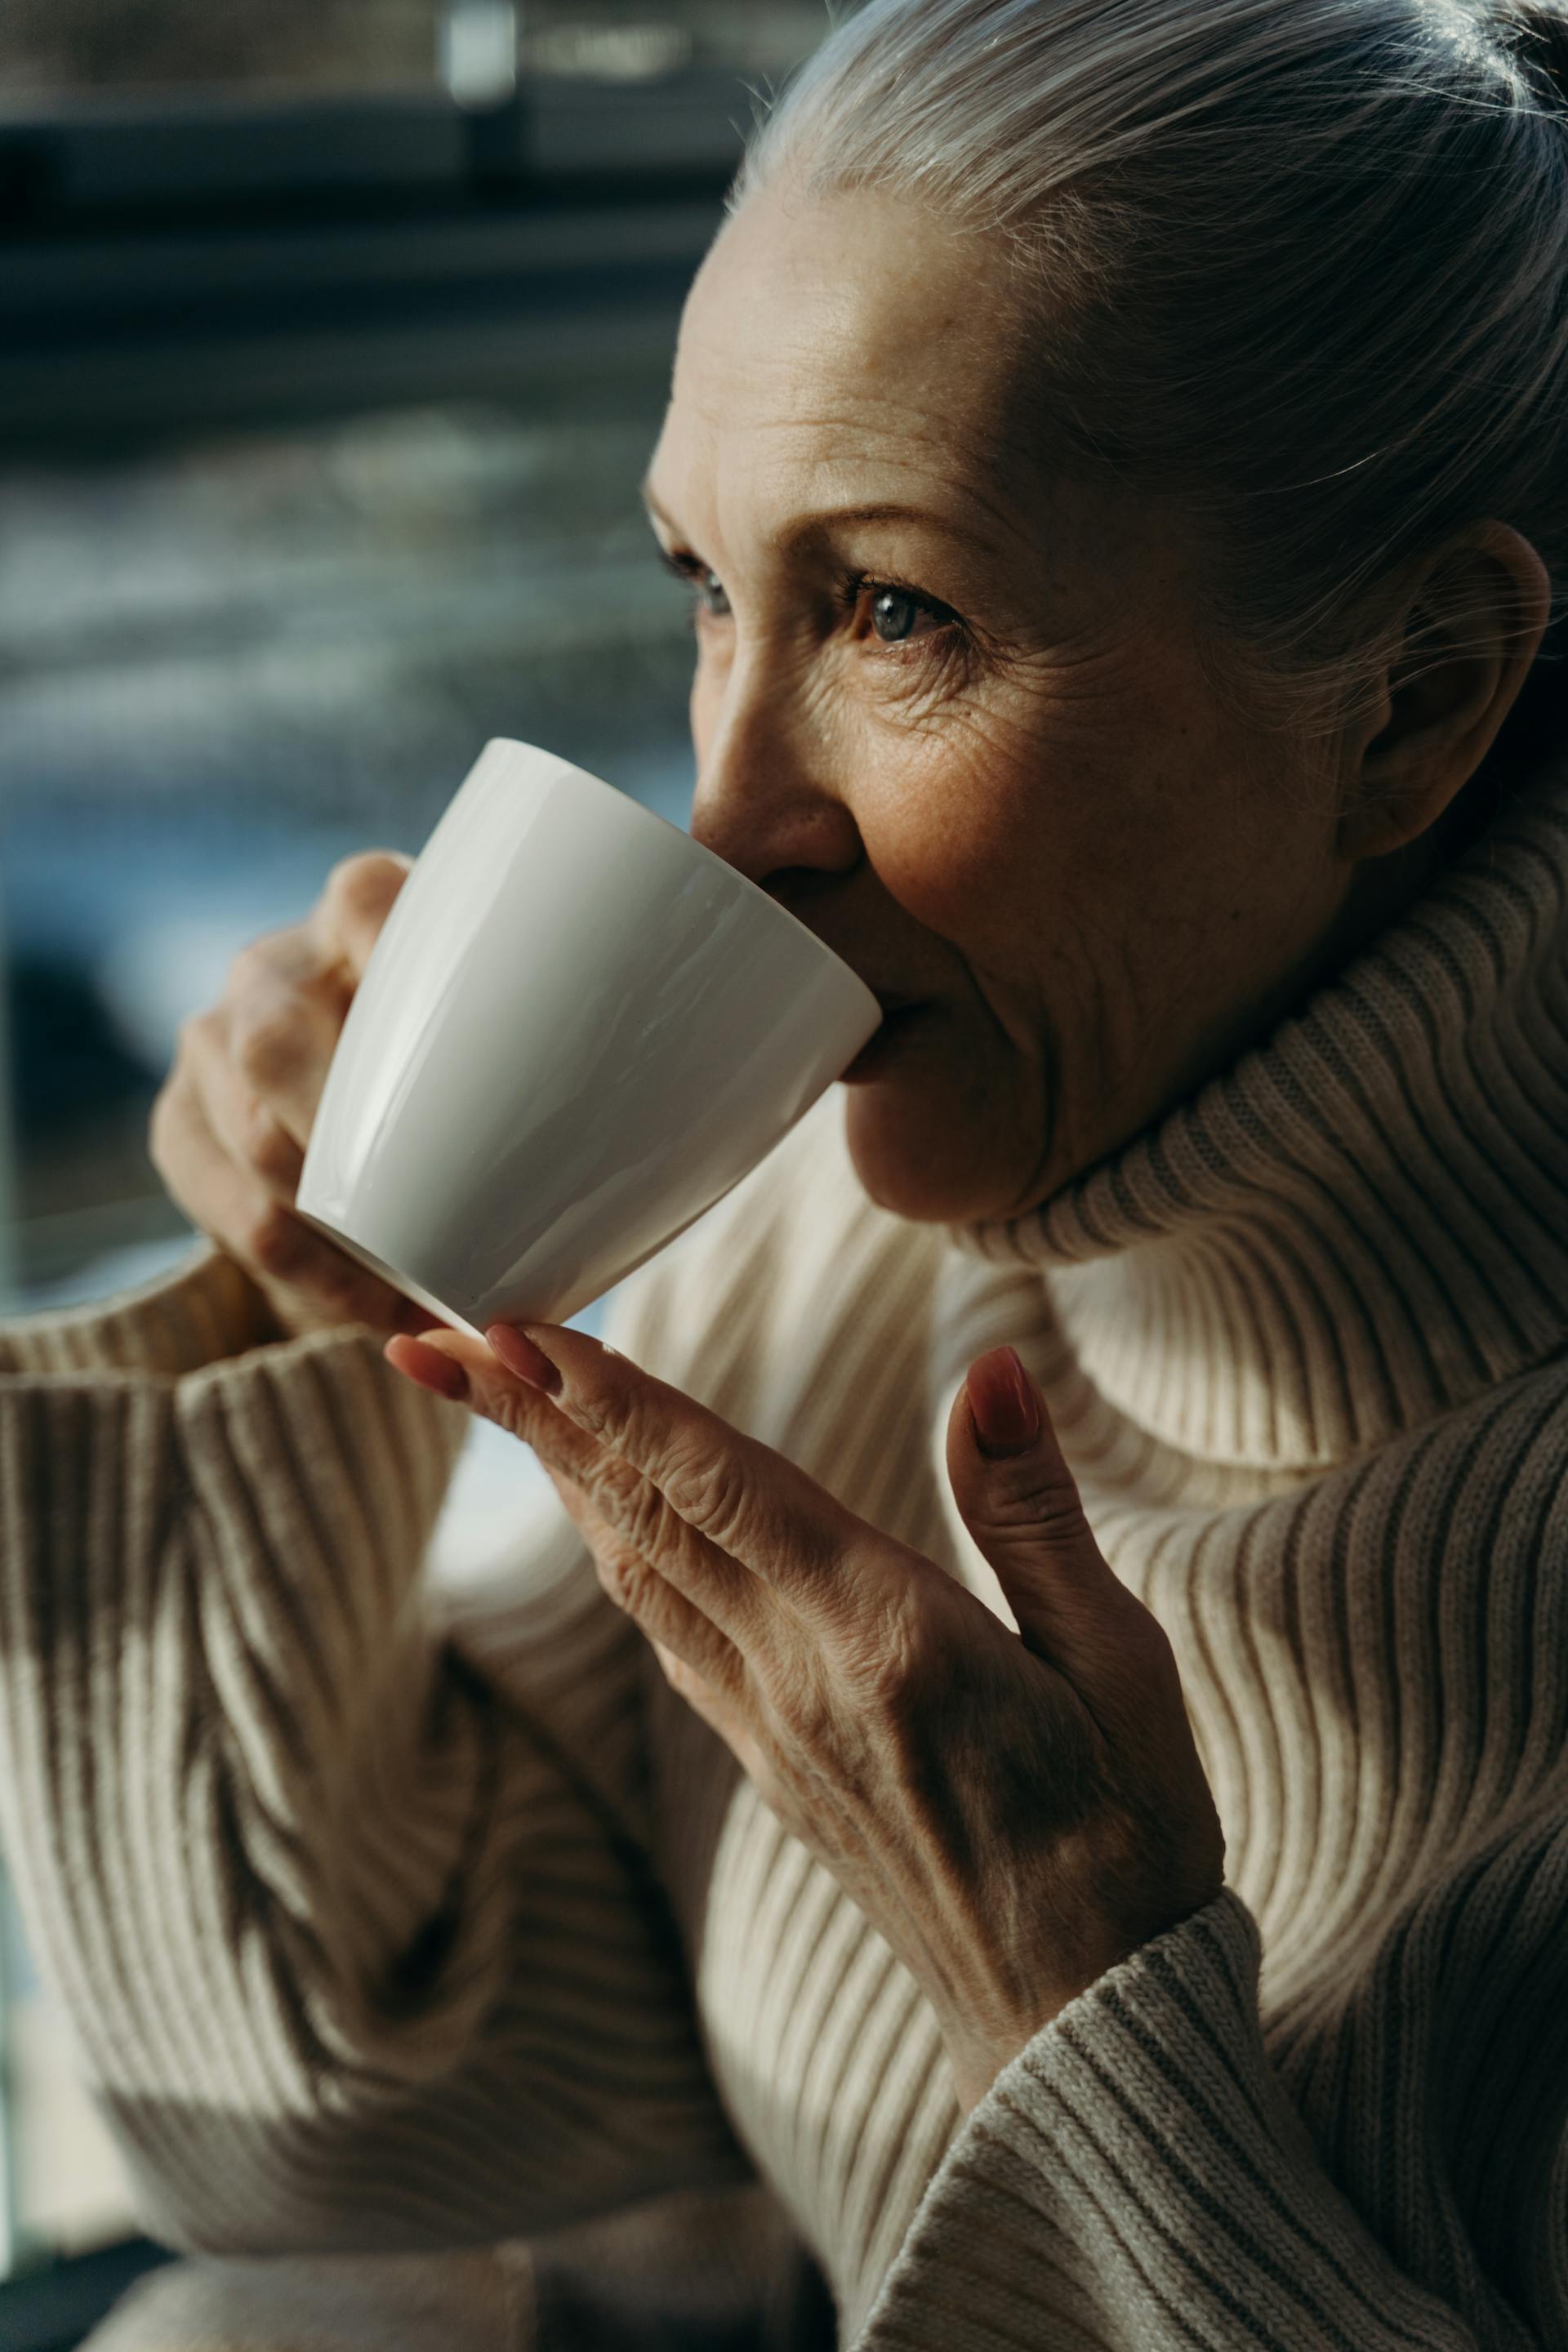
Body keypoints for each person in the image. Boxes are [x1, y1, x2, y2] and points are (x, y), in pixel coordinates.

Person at [3, 0, 1568, 2344]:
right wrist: (309, 1326)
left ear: (1419, 694)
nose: (729, 819)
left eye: (897, 613)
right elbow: (333, 2122)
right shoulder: (854, 1224)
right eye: (708, 587)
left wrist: (1070, 1994)